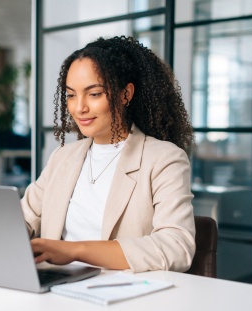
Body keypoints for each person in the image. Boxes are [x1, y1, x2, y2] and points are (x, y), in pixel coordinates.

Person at [21, 35, 196, 273]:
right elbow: (20, 219)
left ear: (126, 94)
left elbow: (177, 247)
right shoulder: (62, 158)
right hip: (56, 290)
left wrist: (74, 251)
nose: (79, 107)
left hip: (121, 297)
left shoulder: (164, 159)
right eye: (71, 95)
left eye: (94, 94)